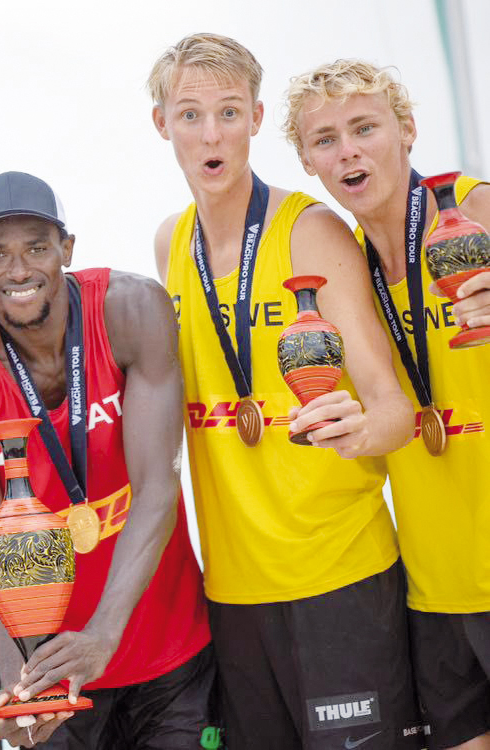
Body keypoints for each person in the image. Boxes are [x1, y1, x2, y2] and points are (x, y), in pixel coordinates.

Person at [149, 34, 420, 750]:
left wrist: (360, 428)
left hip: (339, 578)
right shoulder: (165, 246)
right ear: (160, 124)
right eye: (189, 115)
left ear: (257, 118)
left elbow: (392, 407)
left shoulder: (310, 230)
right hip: (233, 593)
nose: (211, 136)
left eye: (229, 113)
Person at [0, 170, 213, 749]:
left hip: (168, 649)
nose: (19, 270)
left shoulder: (130, 310)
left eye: (36, 247)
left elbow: (158, 487)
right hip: (56, 673)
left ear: (67, 249)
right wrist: (18, 687)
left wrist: (103, 635)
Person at [284, 59, 490, 750]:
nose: (346, 150)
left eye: (363, 128)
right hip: (434, 583)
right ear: (309, 162)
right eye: (324, 139)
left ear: (405, 130)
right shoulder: (342, 266)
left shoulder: (473, 208)